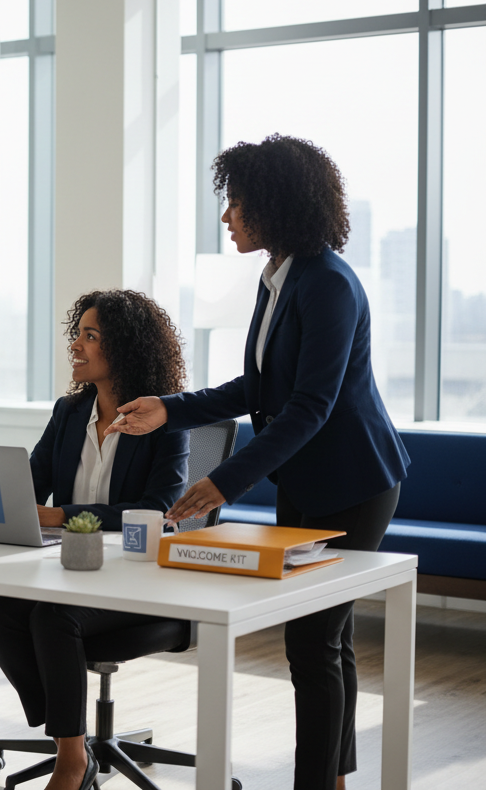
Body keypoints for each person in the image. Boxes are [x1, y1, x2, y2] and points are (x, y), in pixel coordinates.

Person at [109, 134, 409, 790]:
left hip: (354, 480)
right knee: (329, 639)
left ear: (276, 205)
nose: (227, 217)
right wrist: (170, 407)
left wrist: (220, 484)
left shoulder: (328, 284)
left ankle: (315, 782)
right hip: (304, 476)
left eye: (238, 204)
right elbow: (257, 389)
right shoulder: (279, 278)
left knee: (313, 641)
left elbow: (309, 407)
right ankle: (331, 779)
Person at [0, 289, 190, 790]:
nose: (76, 346)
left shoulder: (166, 419)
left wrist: (59, 515)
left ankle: (73, 761)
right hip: (71, 573)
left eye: (90, 337)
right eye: (77, 334)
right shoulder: (70, 412)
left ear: (124, 349)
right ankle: (67, 740)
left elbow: (156, 511)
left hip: (144, 583)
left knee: (53, 617)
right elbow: (30, 482)